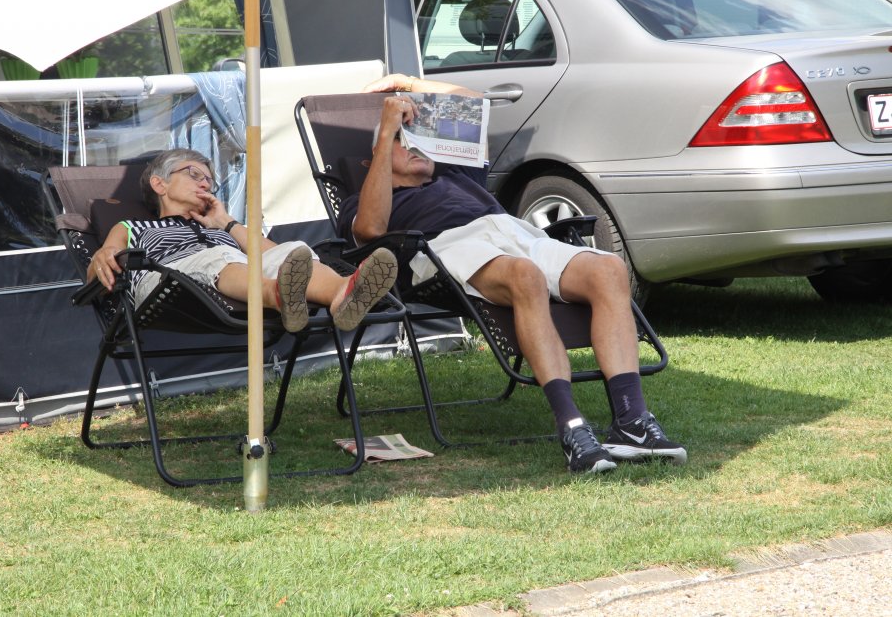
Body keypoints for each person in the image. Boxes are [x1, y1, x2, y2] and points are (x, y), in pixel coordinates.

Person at [338, 74, 686, 473]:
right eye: (404, 140)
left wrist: (411, 84)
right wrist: (386, 131)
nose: (415, 145)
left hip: (512, 232)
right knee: (525, 276)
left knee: (609, 269)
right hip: (444, 247)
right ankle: (572, 426)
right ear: (378, 156)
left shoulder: (456, 173)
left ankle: (632, 423)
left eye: (419, 138)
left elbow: (474, 105)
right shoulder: (364, 199)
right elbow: (370, 230)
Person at [89, 148, 397, 333]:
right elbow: (104, 261)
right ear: (160, 184)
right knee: (219, 255)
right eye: (194, 174)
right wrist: (101, 257)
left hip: (229, 271)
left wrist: (225, 222)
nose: (205, 183)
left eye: (209, 180)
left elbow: (273, 254)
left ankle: (341, 294)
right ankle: (277, 296)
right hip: (167, 286)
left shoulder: (220, 229)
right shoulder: (134, 226)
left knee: (294, 249)